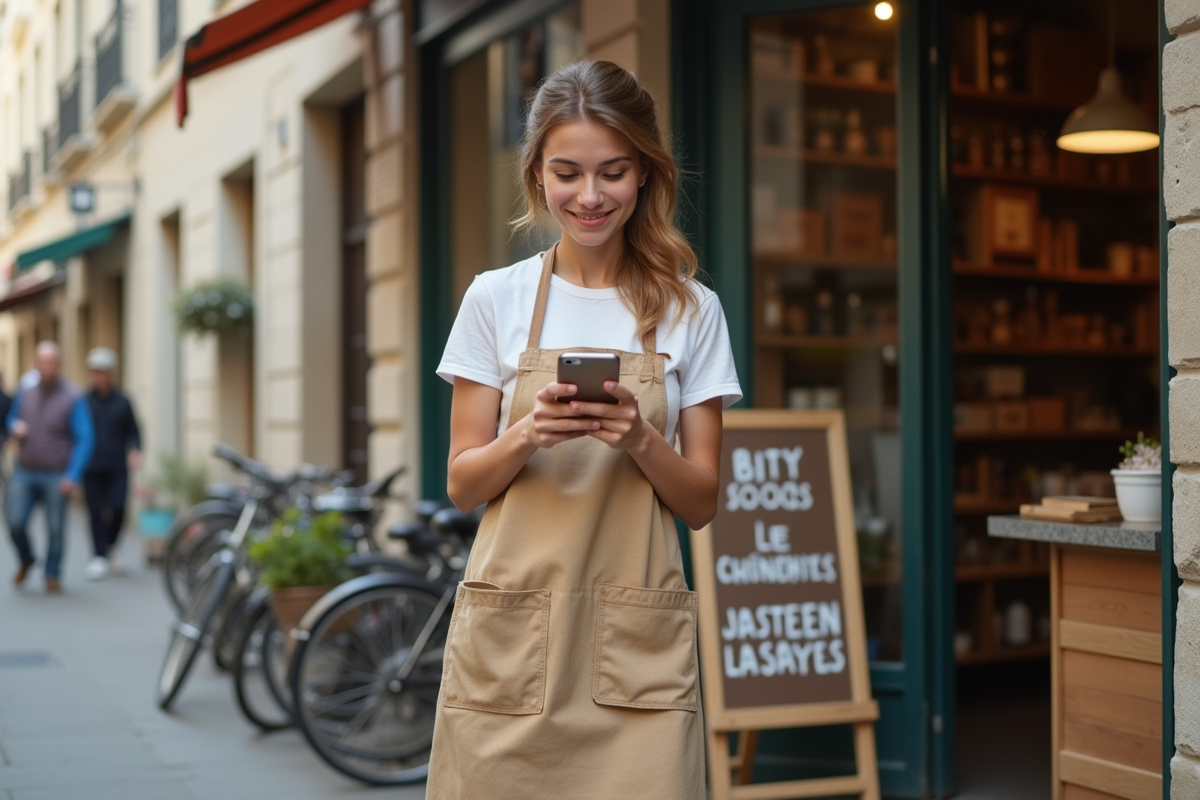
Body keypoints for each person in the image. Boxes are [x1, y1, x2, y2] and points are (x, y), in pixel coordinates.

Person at [429, 61, 742, 799]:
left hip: (635, 655)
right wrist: (526, 434)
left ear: (645, 174)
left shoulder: (693, 310)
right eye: (568, 172)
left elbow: (701, 504)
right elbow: (463, 485)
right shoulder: (493, 299)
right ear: (537, 174)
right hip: (513, 645)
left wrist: (640, 438)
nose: (591, 196)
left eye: (614, 172)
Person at [6, 342, 95, 593]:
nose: (46, 367)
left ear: (59, 365)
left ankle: (52, 574)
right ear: (36, 363)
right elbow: (12, 417)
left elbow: (85, 438)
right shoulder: (27, 391)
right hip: (25, 469)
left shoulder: (72, 397)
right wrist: (15, 427)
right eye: (42, 362)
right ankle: (27, 559)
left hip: (56, 473)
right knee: (15, 522)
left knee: (56, 528)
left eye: (51, 362)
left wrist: (73, 474)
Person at [81, 347, 142, 580]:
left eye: (102, 371)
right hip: (92, 466)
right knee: (95, 511)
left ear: (110, 373)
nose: (98, 376)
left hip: (117, 466)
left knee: (118, 508)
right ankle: (99, 556)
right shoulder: (84, 401)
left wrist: (136, 450)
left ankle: (110, 545)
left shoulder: (123, 401)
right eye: (94, 371)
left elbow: (134, 430)